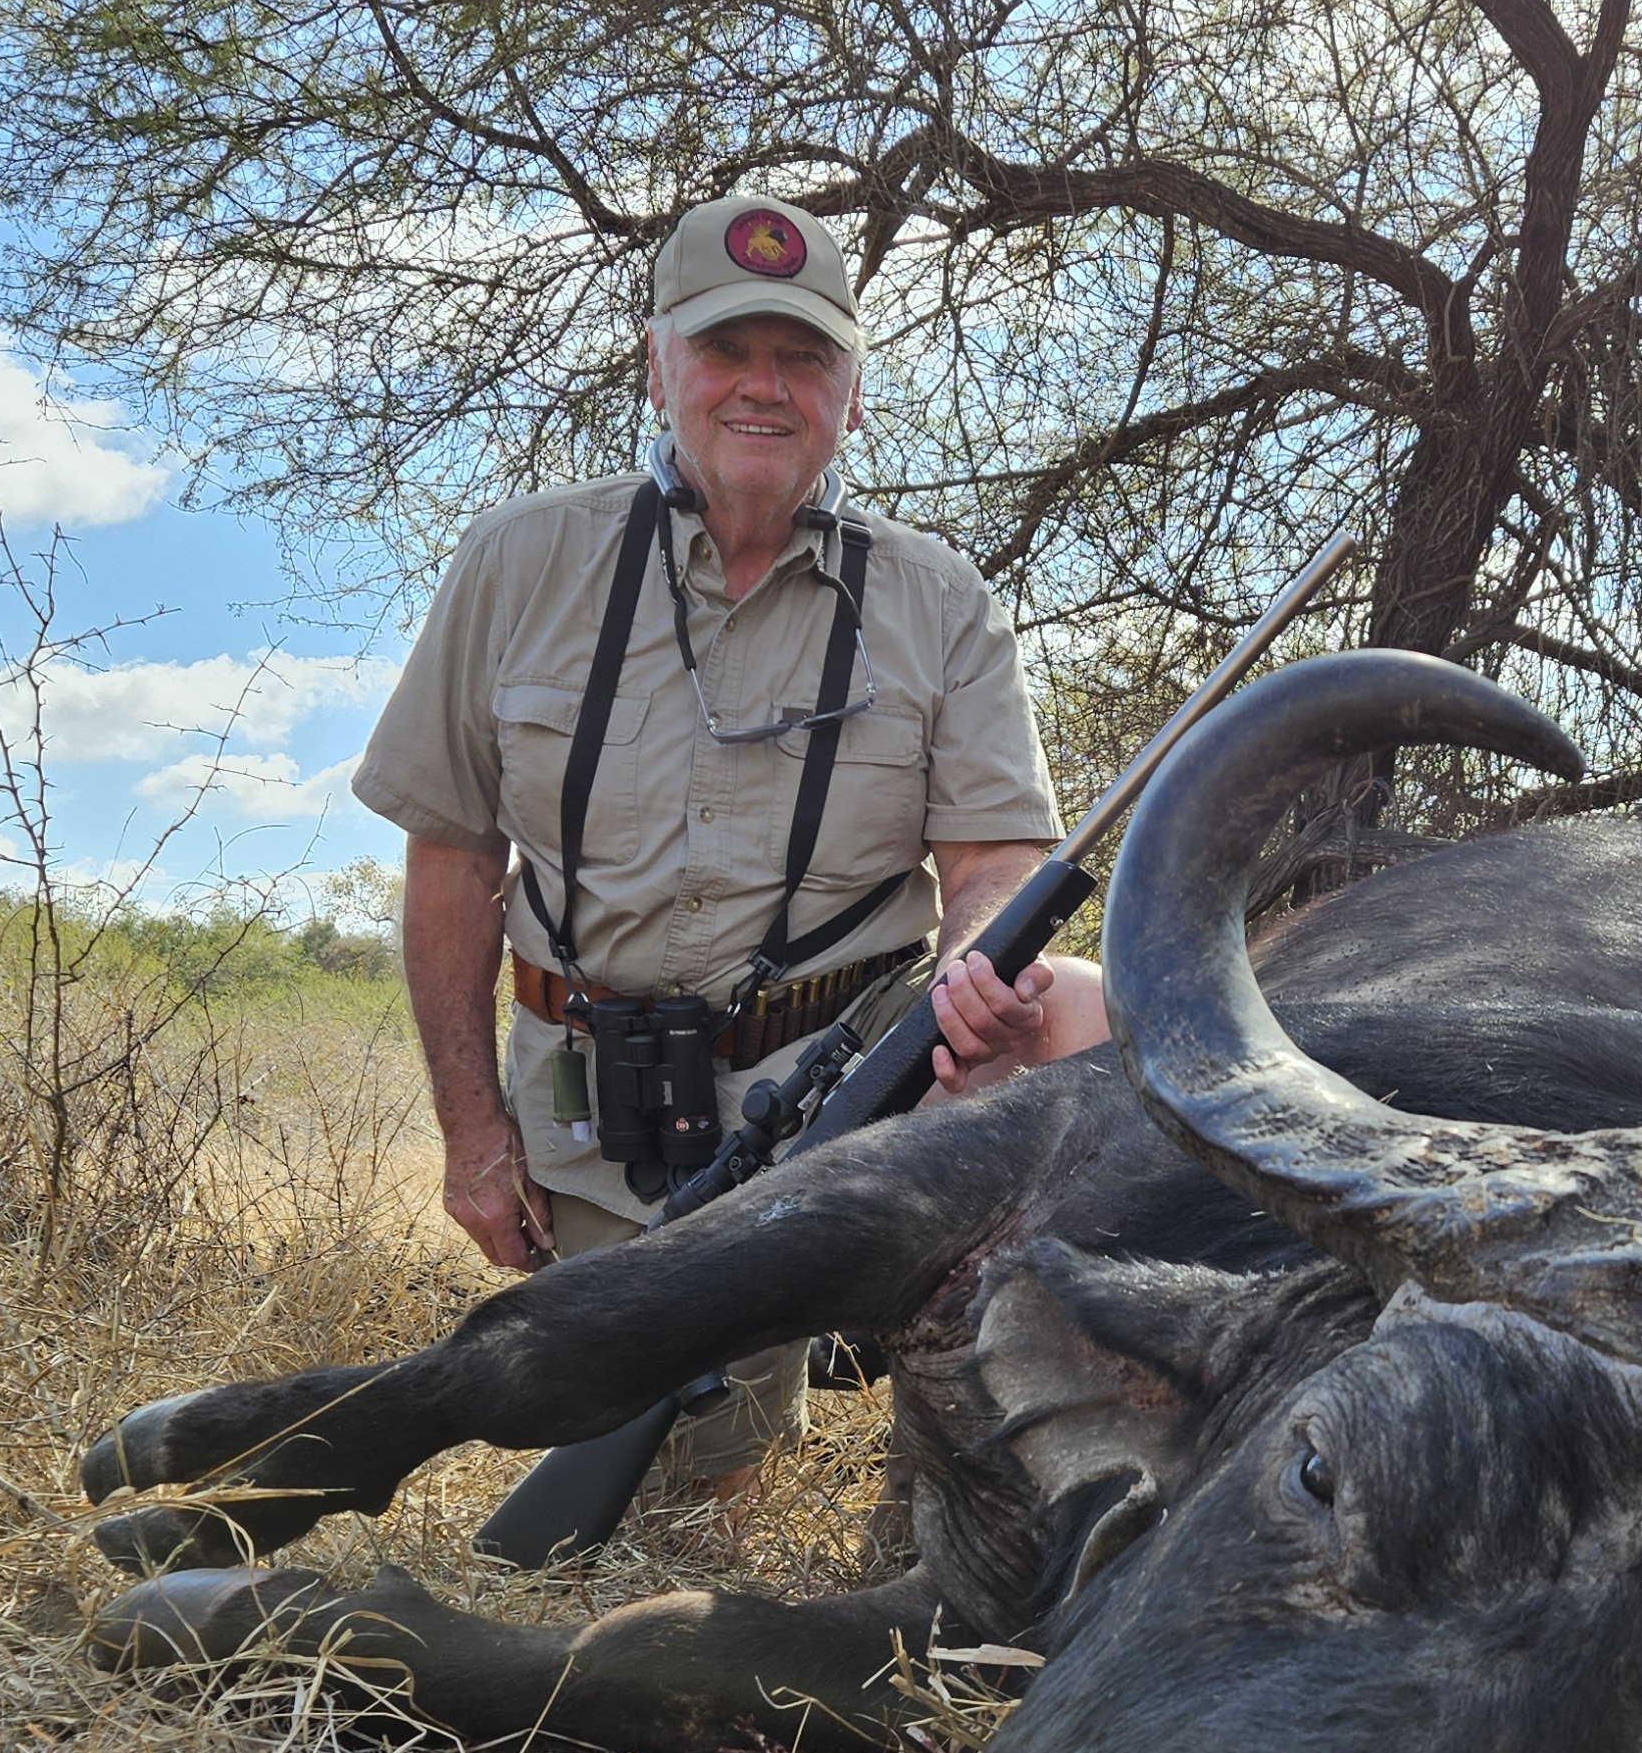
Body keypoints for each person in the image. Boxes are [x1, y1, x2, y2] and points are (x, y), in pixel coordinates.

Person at [351, 192, 1104, 1495]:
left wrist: (980, 970)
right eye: (728, 349)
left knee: (1099, 1014)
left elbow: (989, 870)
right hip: (599, 1117)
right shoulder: (517, 560)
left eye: (803, 356)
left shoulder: (939, 600)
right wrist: (475, 1139)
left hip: (859, 1108)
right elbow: (456, 865)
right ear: (660, 366)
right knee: (663, 1482)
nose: (765, 387)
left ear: (851, 394)